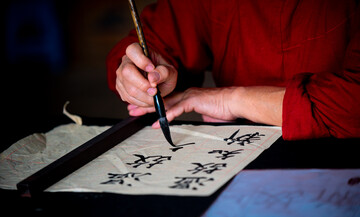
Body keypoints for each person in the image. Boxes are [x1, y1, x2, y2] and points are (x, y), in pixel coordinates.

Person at [106, 0, 360, 140]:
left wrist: (231, 99)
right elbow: (162, 34)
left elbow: (352, 105)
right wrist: (142, 70)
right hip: (238, 150)